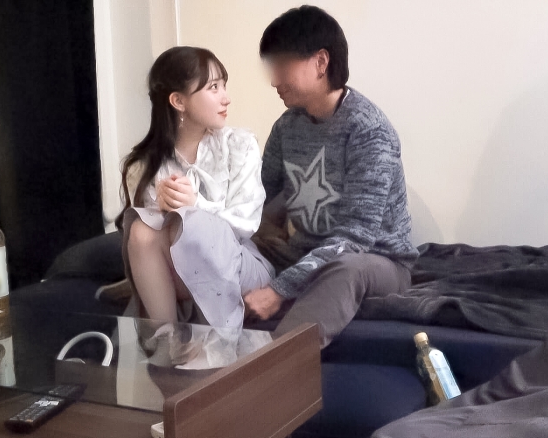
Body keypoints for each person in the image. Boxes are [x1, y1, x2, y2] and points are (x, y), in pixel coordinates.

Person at [244, 5, 419, 347]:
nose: (274, 80)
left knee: (346, 269)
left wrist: (279, 289)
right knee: (229, 245)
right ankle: (188, 345)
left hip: (376, 260)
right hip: (303, 252)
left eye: (282, 65)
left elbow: (356, 235)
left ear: (321, 62)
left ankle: (276, 366)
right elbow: (259, 199)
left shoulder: (368, 130)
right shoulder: (287, 127)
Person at [117, 46, 274, 330]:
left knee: (188, 224)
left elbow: (246, 224)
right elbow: (149, 249)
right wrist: (161, 210)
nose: (226, 98)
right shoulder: (142, 166)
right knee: (142, 229)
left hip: (239, 264)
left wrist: (195, 207)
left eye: (223, 85)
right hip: (177, 273)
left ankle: (219, 344)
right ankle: (166, 339)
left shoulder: (240, 145)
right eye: (213, 87)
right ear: (178, 101)